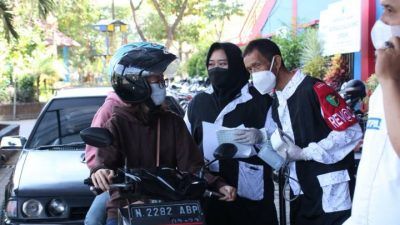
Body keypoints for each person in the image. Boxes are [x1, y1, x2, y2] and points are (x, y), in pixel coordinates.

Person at [89, 42, 236, 225]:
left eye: (162, 79)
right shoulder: (117, 123)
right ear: (136, 83)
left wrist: (219, 184)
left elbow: (192, 165)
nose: (161, 84)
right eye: (155, 79)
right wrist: (100, 170)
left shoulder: (172, 122)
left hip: (170, 208)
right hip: (126, 208)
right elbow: (104, 161)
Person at [242, 38, 363, 225]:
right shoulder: (277, 101)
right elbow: (289, 137)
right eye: (249, 70)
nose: (253, 75)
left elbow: (351, 132)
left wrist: (306, 153)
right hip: (301, 190)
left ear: (277, 61)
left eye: (257, 66)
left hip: (331, 190)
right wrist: (261, 136)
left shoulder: (314, 89)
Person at [184, 42, 277, 225]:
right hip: (210, 189)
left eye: (223, 64)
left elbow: (280, 149)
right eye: (211, 65)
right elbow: (184, 144)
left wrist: (260, 137)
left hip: (250, 192)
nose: (216, 69)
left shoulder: (261, 101)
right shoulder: (198, 102)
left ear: (236, 65)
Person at [343, 0, 400, 224]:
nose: (382, 20)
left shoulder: (388, 82)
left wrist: (388, 80)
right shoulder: (382, 91)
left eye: (390, 10)